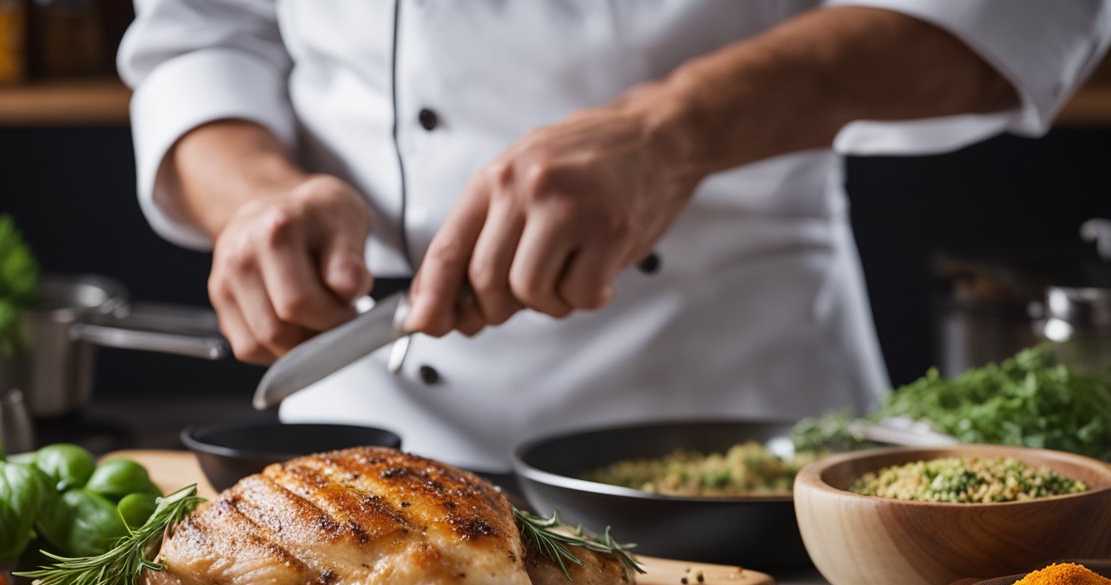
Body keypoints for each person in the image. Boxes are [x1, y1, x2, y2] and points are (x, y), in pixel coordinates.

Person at [118, 1, 1111, 472]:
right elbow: (202, 33)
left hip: (735, 444)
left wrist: (673, 131)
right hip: (349, 453)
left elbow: (1024, 10)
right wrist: (252, 195)